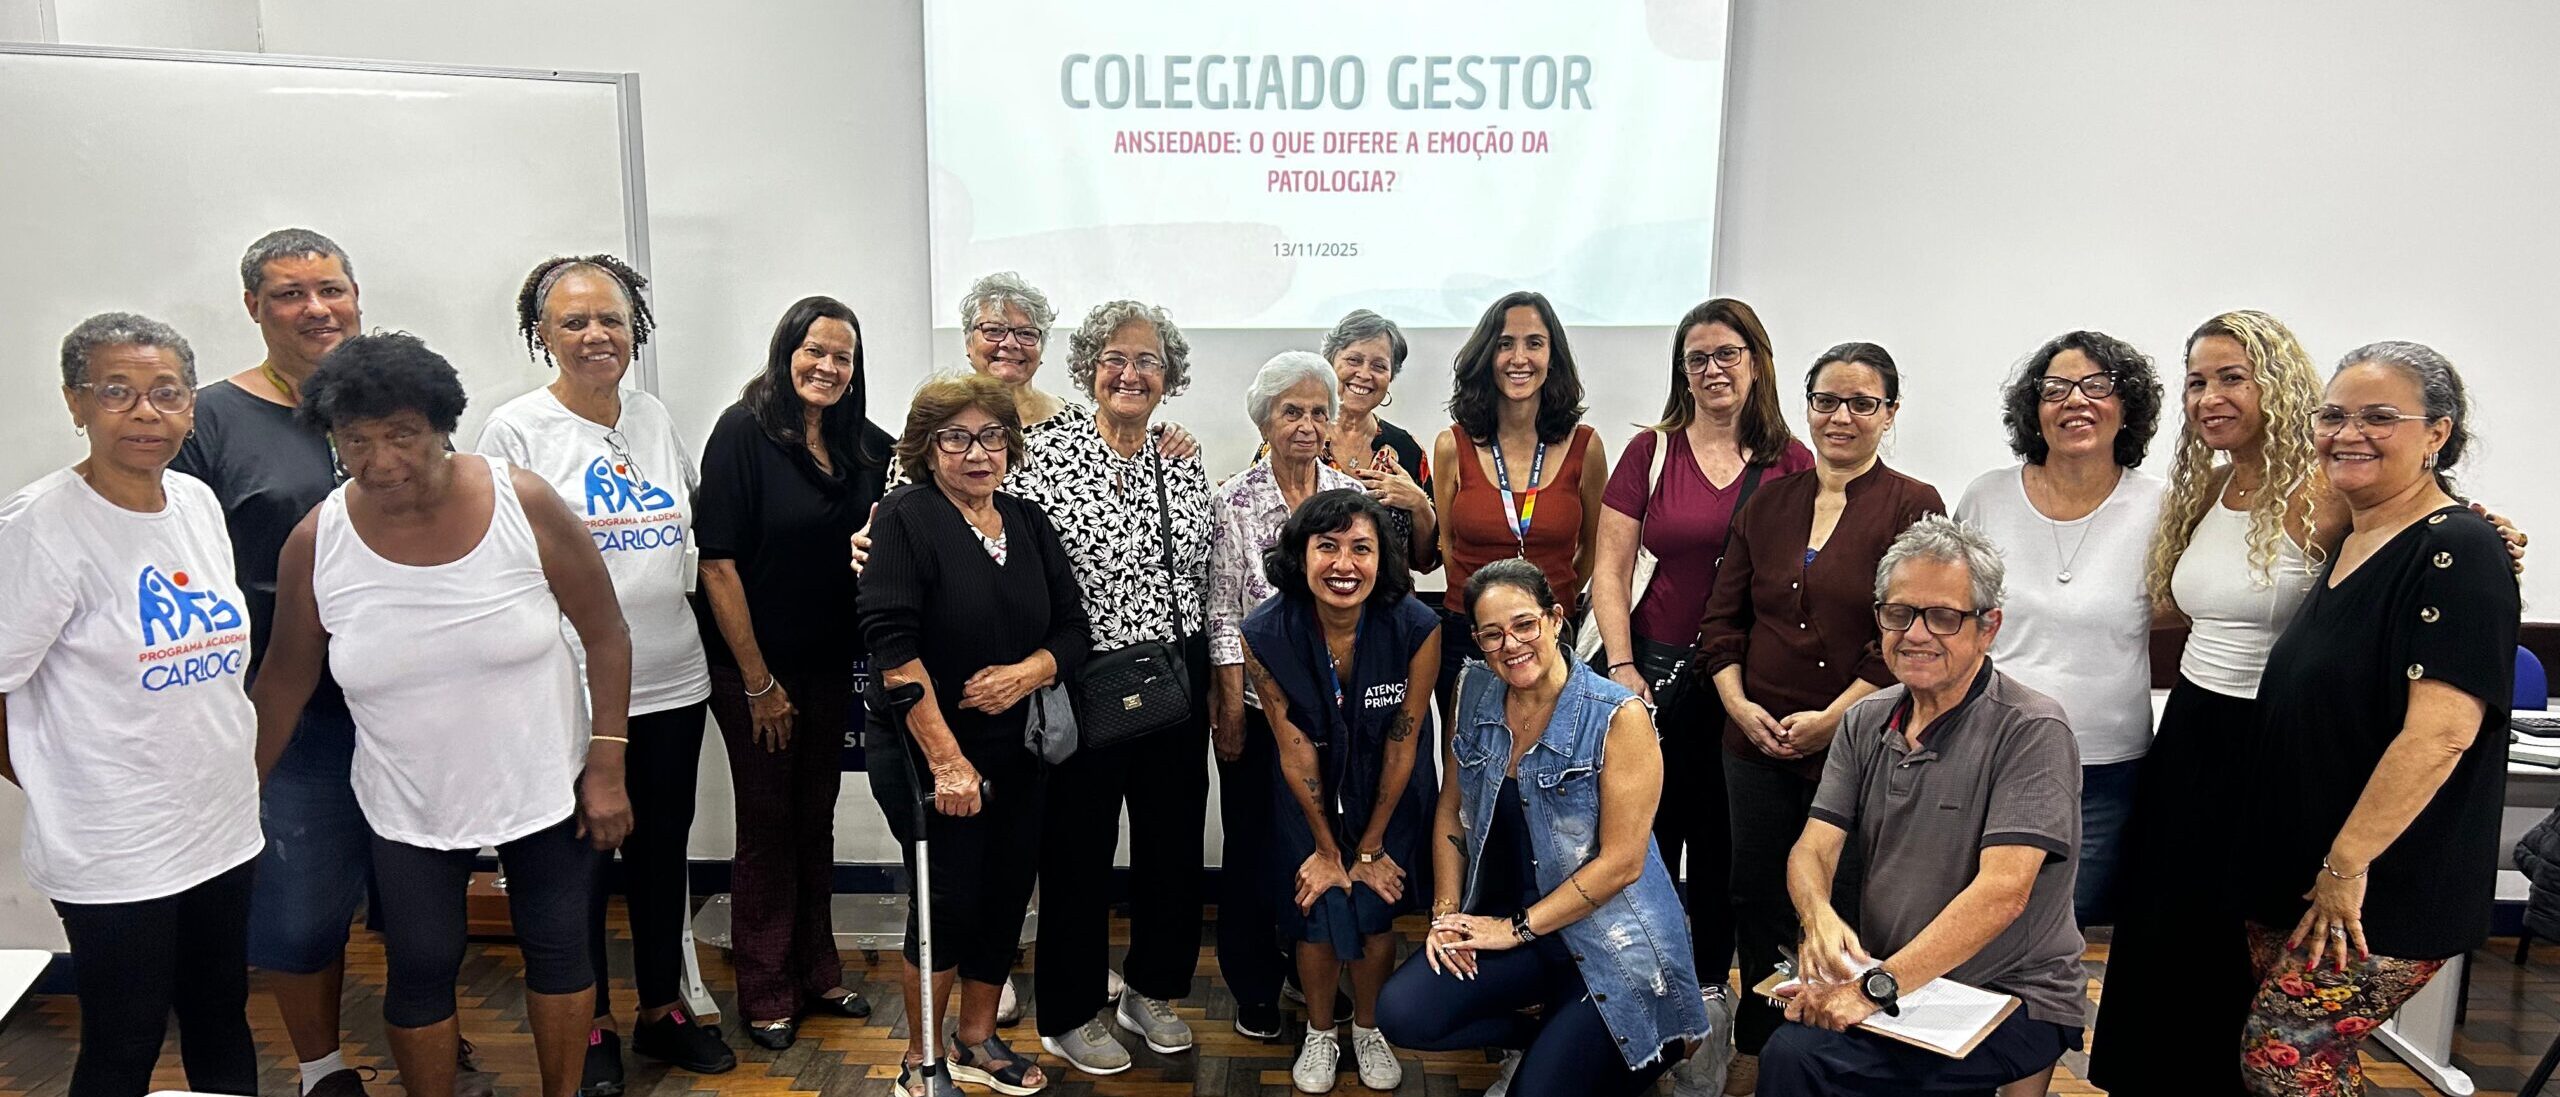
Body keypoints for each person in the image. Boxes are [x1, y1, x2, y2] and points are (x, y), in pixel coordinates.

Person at [249, 332, 634, 1097]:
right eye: (356, 440)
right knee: (421, 963)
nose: (380, 459)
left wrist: (607, 765)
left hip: (543, 781)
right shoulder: (317, 541)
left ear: (442, 425)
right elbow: (285, 680)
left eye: (402, 434)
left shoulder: (523, 502)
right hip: (408, 799)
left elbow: (606, 632)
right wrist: (235, 795)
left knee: (559, 948)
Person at [477, 254, 735, 1090]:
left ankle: (660, 1009)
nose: (597, 335)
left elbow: (688, 534)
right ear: (542, 334)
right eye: (575, 321)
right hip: (571, 694)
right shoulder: (516, 431)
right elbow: (497, 565)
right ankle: (587, 1026)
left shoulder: (652, 415)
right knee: (577, 868)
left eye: (612, 319)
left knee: (661, 855)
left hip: (673, 679)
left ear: (636, 329)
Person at [171, 229, 417, 1097]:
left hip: (409, 703)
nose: (317, 309)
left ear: (357, 296)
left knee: (418, 894)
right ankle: (321, 1068)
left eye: (331, 289)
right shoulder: (208, 421)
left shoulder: (396, 403)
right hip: (291, 709)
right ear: (253, 306)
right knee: (301, 907)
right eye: (289, 293)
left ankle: (430, 1032)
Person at [2236, 343, 2517, 1096]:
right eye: (2334, 415)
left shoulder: (2458, 549)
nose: (2348, 433)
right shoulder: (2355, 536)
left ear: (2437, 434)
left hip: (2374, 886)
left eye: (2380, 417)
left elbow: (2441, 733)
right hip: (2303, 871)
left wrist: (2345, 866)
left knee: (2285, 1059)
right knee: (2314, 1066)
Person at [0, 314, 261, 1097]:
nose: (146, 412)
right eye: (117, 391)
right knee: (126, 1037)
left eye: (166, 392)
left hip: (219, 824)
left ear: (191, 405)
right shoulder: (41, 525)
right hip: (113, 843)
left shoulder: (195, 502)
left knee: (221, 1015)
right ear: (75, 402)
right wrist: (56, 779)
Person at [1758, 515, 2088, 1094]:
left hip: (2012, 992)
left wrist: (1871, 990)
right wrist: (1818, 919)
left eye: (1943, 617)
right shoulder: (1865, 719)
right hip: (1900, 977)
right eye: (1899, 613)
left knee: (1804, 1059)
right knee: (1787, 1043)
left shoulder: (2032, 729)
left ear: (1988, 628)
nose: (1915, 634)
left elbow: (2003, 894)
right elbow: (1813, 849)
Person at [1696, 341, 1944, 1089]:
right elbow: (1722, 623)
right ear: (1806, 407)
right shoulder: (1769, 502)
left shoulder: (1914, 504)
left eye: (1862, 403)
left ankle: (1835, 1046)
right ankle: (1759, 1040)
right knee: (1757, 895)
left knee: (1845, 900)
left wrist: (1834, 718)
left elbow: (1906, 633)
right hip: (1752, 741)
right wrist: (1739, 707)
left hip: (1861, 743)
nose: (1842, 417)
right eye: (1827, 401)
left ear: (1889, 414)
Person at [1375, 558, 1707, 1097]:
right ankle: (1548, 1040)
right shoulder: (1473, 688)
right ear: (1478, 642)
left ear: (1555, 620)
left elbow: (1623, 864)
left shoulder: (1619, 715)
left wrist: (1514, 930)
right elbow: (1451, 810)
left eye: (1524, 624)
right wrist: (1446, 914)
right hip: (1517, 932)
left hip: (1607, 944)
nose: (1511, 645)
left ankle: (1654, 1044)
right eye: (1492, 634)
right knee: (1403, 1013)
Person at [1588, 297, 1812, 1082]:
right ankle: (1638, 1003)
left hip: (1741, 684)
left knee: (1725, 853)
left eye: (1727, 354)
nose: (1712, 369)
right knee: (1641, 843)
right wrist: (1622, 668)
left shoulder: (1792, 461)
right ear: (1682, 371)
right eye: (1696, 358)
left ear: (1757, 361)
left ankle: (1709, 1008)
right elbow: (1610, 568)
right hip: (1649, 677)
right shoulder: (1650, 451)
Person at [860, 373, 1092, 1097]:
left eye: (992, 436)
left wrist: (1027, 673)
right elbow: (893, 648)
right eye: (955, 438)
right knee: (947, 904)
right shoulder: (906, 517)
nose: (977, 452)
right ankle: (920, 1060)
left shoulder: (1027, 521)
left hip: (1020, 747)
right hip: (928, 752)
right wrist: (948, 762)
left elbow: (1074, 630)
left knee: (1005, 895)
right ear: (926, 449)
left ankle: (977, 1038)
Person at [1009, 301, 1216, 1074]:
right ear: (1089, 368)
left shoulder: (1181, 457)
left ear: (1169, 375)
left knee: (1172, 846)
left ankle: (1151, 990)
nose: (1131, 373)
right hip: (1081, 678)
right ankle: (1067, 1012)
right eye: (1115, 359)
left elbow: (1201, 573)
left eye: (1148, 360)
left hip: (1173, 677)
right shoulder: (1042, 453)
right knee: (1076, 851)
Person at [692, 296, 892, 1049]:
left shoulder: (862, 444)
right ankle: (765, 988)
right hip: (752, 670)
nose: (828, 367)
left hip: (828, 663)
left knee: (816, 816)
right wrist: (758, 682)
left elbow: (925, 466)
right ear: (787, 352)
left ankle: (817, 970)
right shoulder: (741, 433)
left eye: (843, 356)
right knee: (767, 823)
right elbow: (717, 564)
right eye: (815, 350)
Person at [1952, 330, 2166, 926]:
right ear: (2034, 409)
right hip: (1988, 753)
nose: (2076, 400)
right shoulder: (1987, 496)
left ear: (2127, 405)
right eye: (2055, 389)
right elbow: (1951, 617)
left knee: (2066, 929)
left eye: (2097, 386)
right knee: (1973, 923)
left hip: (2103, 769)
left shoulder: (2162, 506)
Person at [1237, 489, 1442, 1093]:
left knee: (1375, 910)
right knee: (1317, 908)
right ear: (1301, 555)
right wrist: (1328, 850)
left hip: (1390, 783)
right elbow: (1292, 745)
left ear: (1382, 559)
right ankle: (1321, 1032)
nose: (1344, 564)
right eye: (1327, 546)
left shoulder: (1417, 626)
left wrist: (1370, 847)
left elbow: (1405, 742)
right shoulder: (1263, 632)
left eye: (1361, 548)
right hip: (1308, 789)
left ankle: (1369, 1029)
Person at [1208, 352, 1368, 1041]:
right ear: (1264, 421)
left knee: (1326, 842)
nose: (1306, 424)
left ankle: (1315, 970)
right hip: (1257, 708)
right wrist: (1229, 706)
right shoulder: (1233, 500)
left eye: (1317, 412)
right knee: (1252, 849)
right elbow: (1223, 611)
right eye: (1290, 411)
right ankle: (1254, 981)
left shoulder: (1350, 496)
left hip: (1336, 711)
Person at [1431, 291, 1609, 722]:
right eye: (1505, 343)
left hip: (1550, 635)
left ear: (1553, 356)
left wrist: (1550, 597)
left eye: (1534, 343)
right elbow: (1448, 544)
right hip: (1471, 634)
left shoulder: (1585, 446)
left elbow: (1593, 546)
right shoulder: (1452, 445)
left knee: (1548, 751)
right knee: (1466, 752)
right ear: (1486, 356)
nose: (1519, 358)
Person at [1316, 308, 1437, 568]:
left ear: (1390, 377)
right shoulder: (1298, 439)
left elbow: (1426, 561)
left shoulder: (1406, 449)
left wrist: (1419, 504)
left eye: (1379, 366)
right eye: (1353, 360)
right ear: (1330, 364)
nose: (1364, 374)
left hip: (1390, 593)